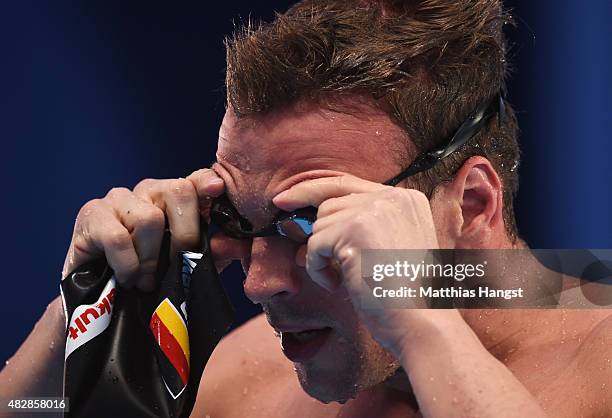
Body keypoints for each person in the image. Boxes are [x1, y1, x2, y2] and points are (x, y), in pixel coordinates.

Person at [1, 1, 610, 417]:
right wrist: (86, 313)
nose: (260, 285)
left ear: (472, 204)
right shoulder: (248, 374)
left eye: (313, 223)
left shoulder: (597, 349)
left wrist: (420, 320)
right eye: (240, 220)